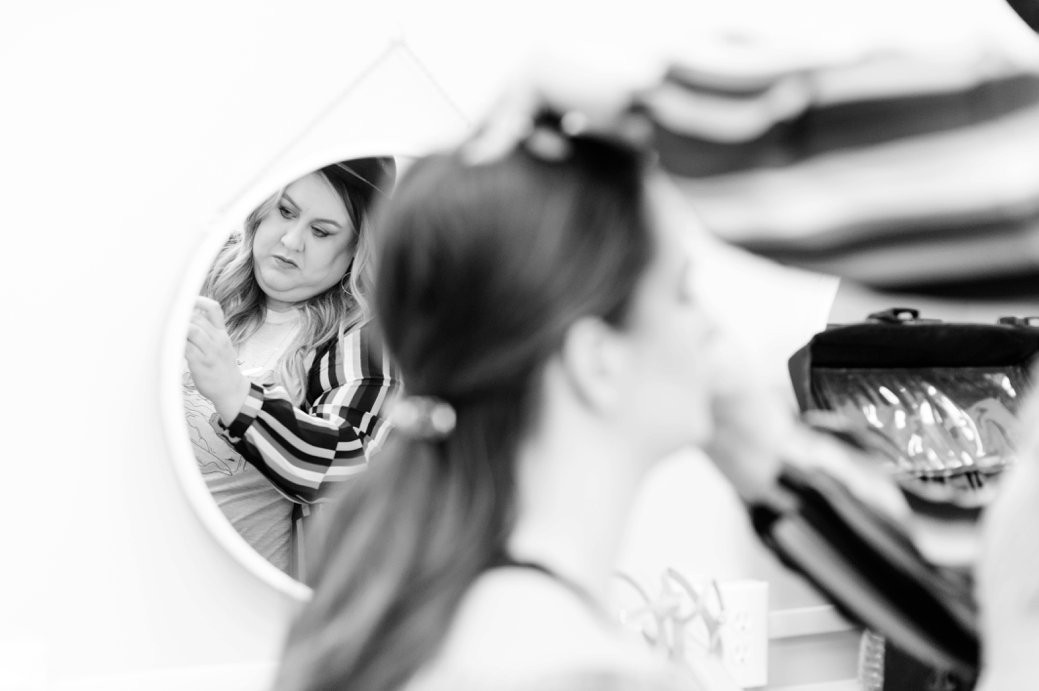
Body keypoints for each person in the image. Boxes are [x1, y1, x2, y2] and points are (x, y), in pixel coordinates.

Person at [272, 102, 807, 690]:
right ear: (596, 361)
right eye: (681, 292)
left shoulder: (445, 620)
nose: (714, 331)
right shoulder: (585, 672)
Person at [183, 157, 400, 576]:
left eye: (321, 232)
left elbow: (352, 467)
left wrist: (235, 394)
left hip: (224, 600)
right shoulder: (202, 275)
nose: (291, 241)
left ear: (358, 250)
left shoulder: (363, 340)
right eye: (286, 211)